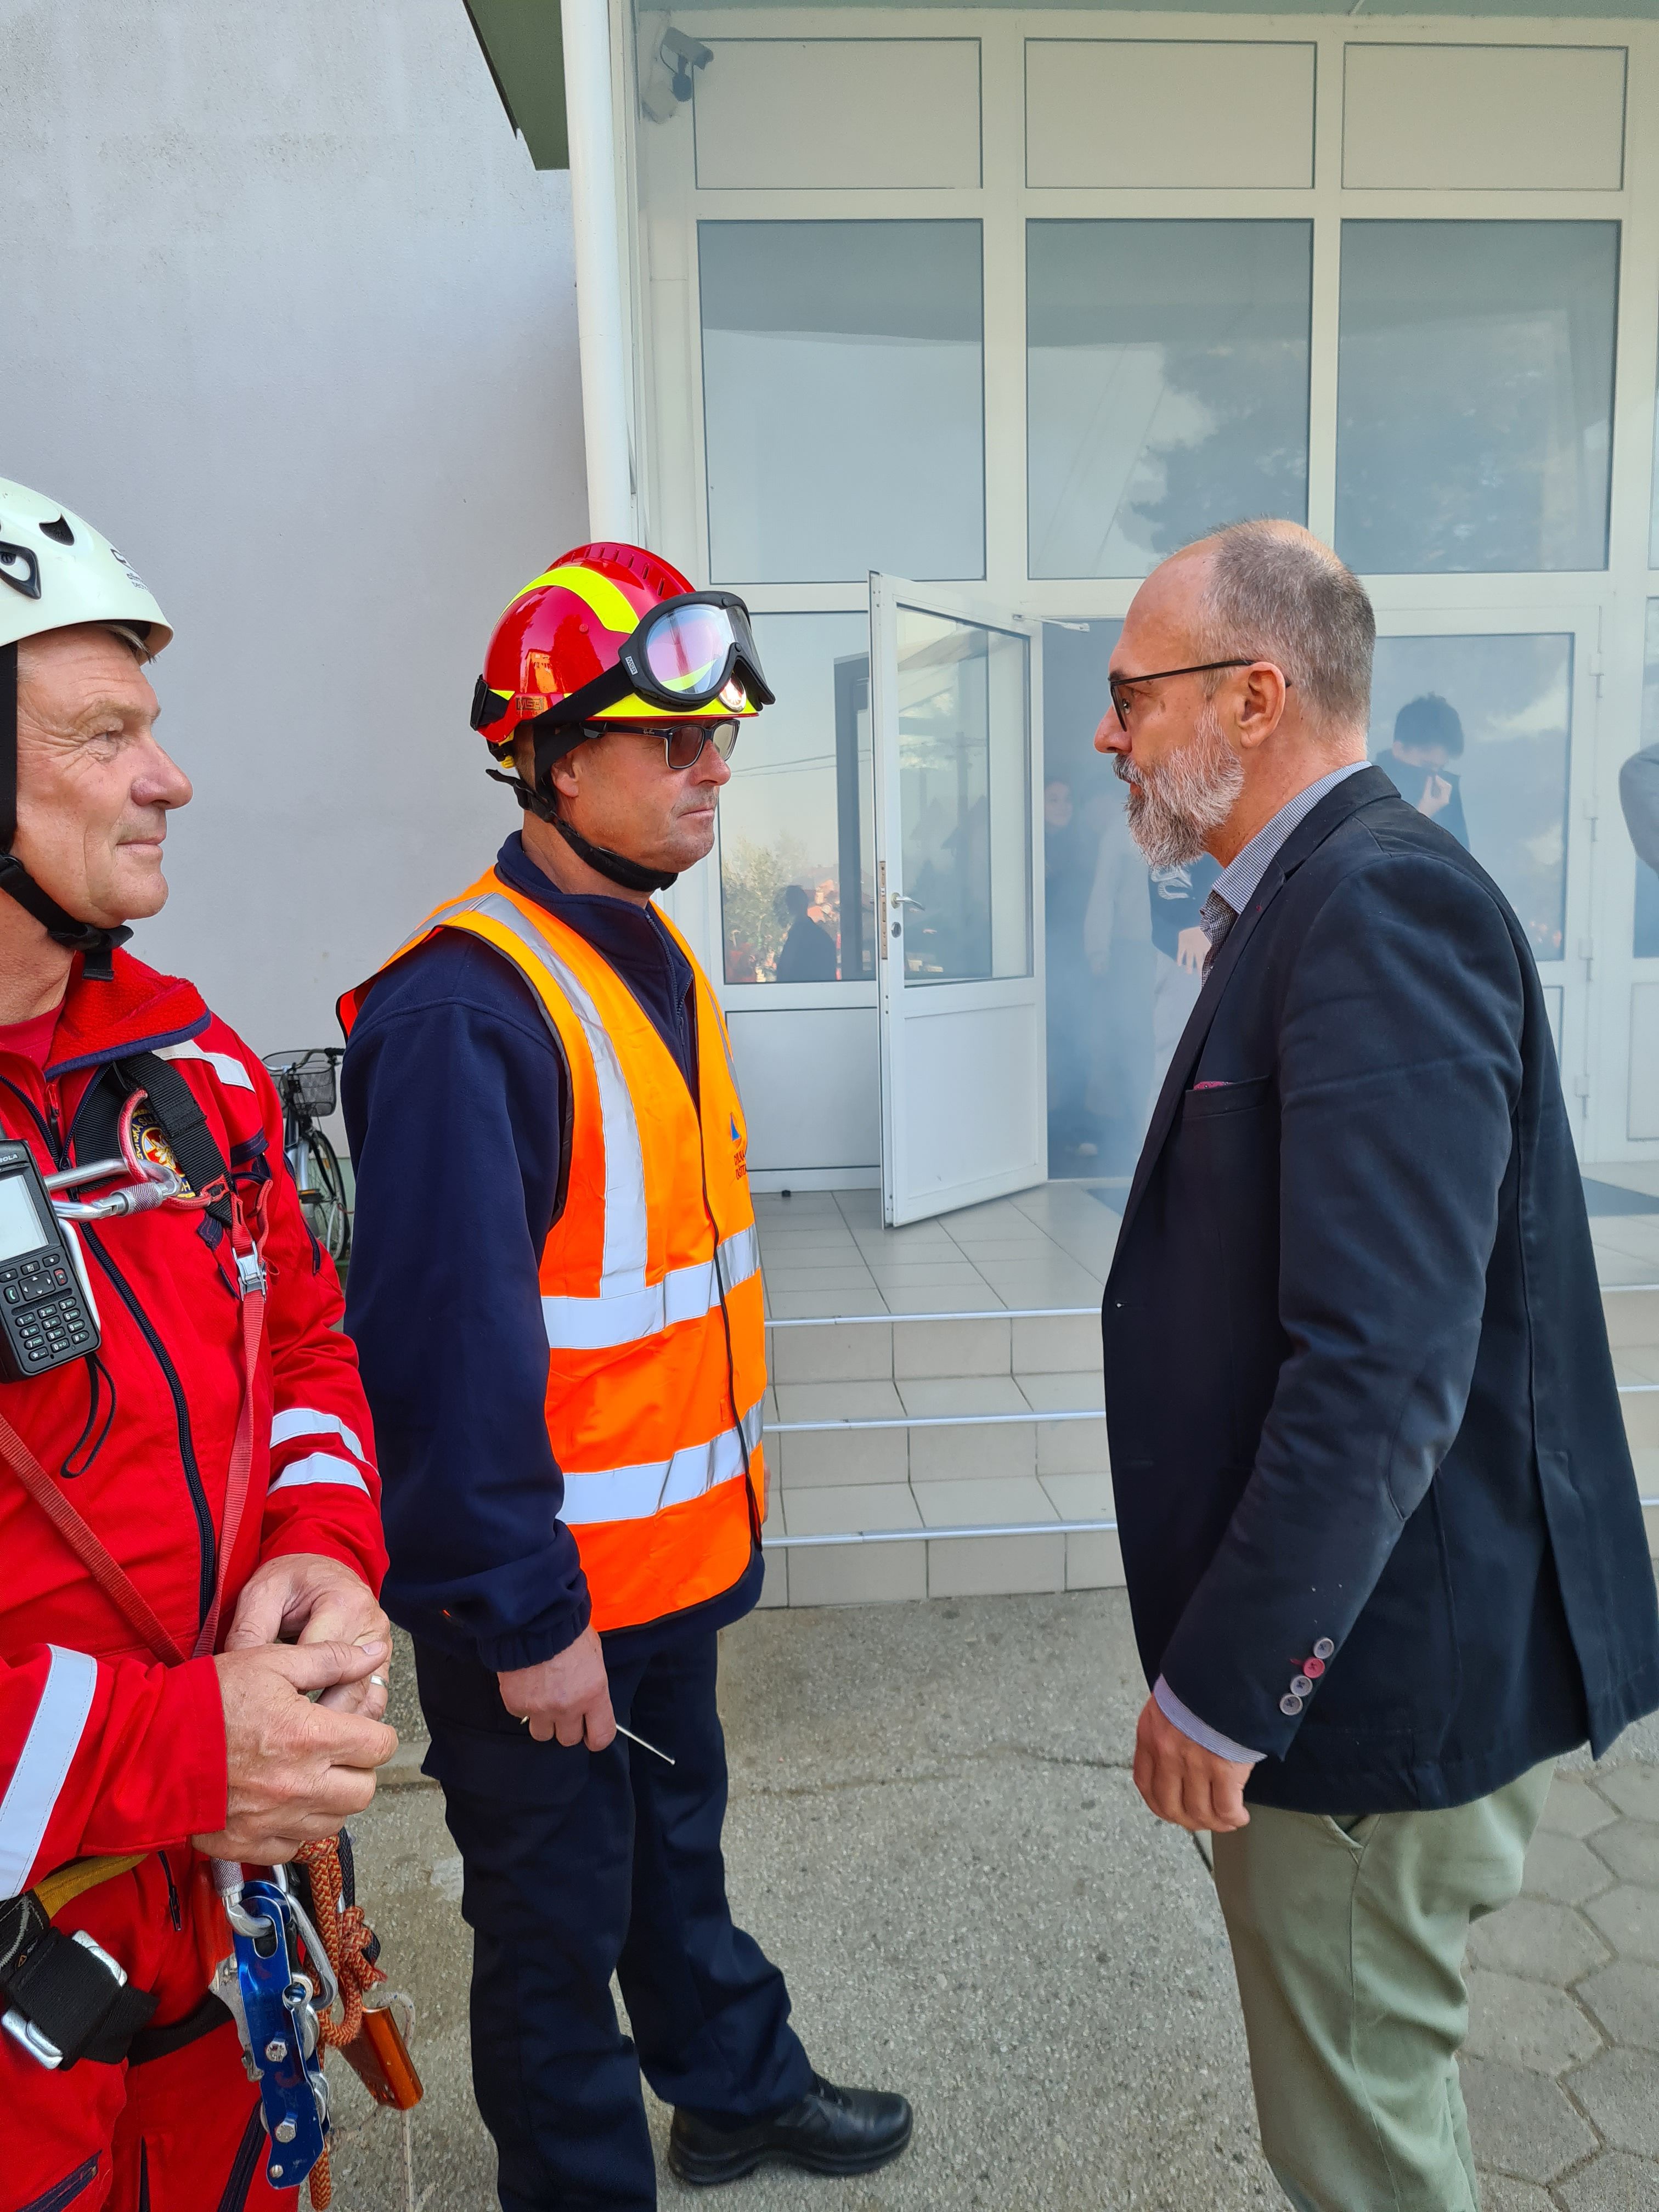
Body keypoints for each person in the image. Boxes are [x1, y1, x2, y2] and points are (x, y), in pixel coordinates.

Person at [1094, 517, 1659, 2212]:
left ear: (1255, 697)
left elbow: (1383, 1364)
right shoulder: (1301, 900)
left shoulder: (1377, 903)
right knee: (1360, 2119)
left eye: (1134, 694)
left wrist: (1230, 1684)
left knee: (1362, 2157)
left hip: (1364, 1687)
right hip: (1358, 1664)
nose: (1111, 734)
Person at [339, 542, 912, 2211]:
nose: (713, 765)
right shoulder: (467, 1011)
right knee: (550, 1937)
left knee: (674, 1854)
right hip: (548, 1606)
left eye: (719, 733)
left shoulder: (642, 951)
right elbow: (442, 1366)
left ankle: (732, 2091)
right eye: (672, 738)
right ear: (551, 758)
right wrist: (526, 1624)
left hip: (659, 1575)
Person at [0, 478, 394, 2210]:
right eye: (106, 737)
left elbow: (302, 1346)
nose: (171, 778)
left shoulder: (190, 1067)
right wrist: (174, 1755)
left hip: (220, 1962)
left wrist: (323, 1554)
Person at [1375, 691, 1470, 848]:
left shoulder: (1445, 793)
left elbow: (1462, 857)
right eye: (1426, 765)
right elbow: (1378, 854)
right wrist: (1421, 817)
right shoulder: (1368, 791)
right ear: (1399, 750)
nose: (1434, 775)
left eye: (1440, 768)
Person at [772, 880, 837, 981]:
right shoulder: (820, 937)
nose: (777, 915)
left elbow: (786, 974)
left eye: (778, 909)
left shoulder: (802, 939)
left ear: (790, 908)